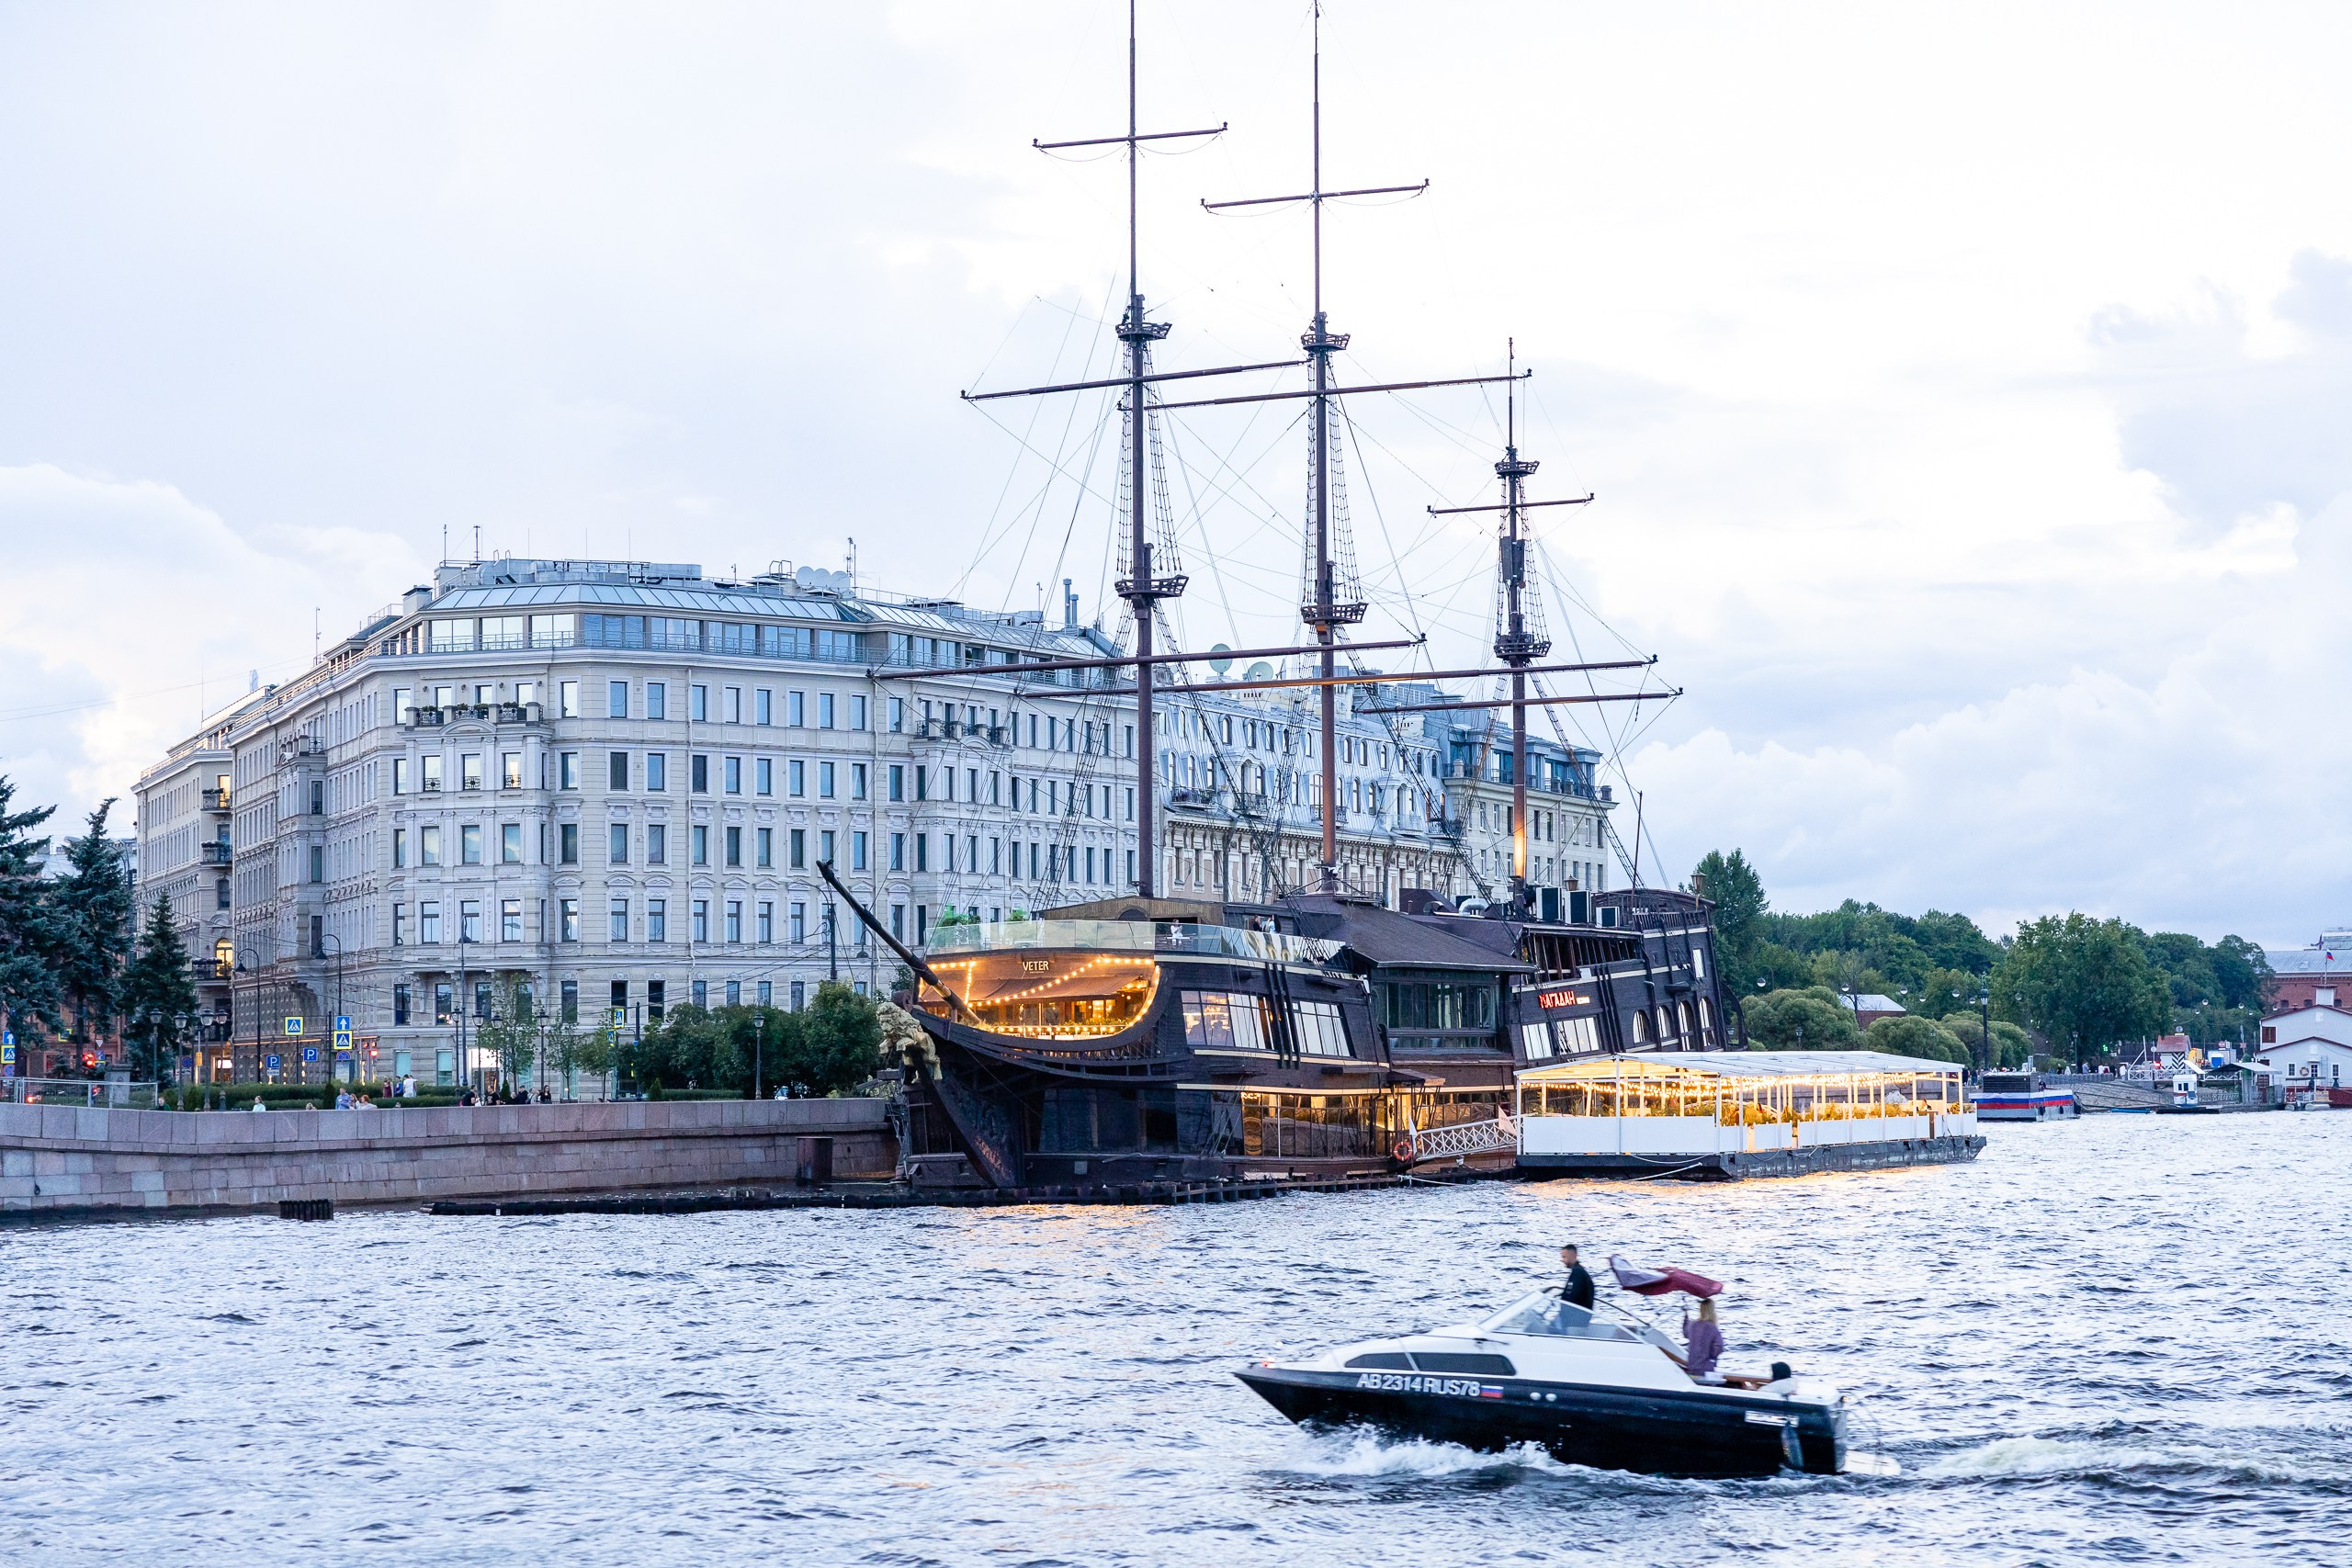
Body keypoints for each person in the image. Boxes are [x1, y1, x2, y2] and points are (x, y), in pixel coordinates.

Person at [1682, 1296, 1724, 1380]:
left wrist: (1686, 1317)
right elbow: (1719, 1346)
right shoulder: (1712, 1327)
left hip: (1691, 1366)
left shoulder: (1692, 1324)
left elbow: (1686, 1333)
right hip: (1705, 1368)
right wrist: (1712, 1357)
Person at [1559, 1244, 1595, 1308]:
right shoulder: (1579, 1271)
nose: (1562, 1260)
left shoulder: (1577, 1273)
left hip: (1575, 1313)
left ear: (1573, 1256)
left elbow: (1571, 1296)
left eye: (1564, 1257)